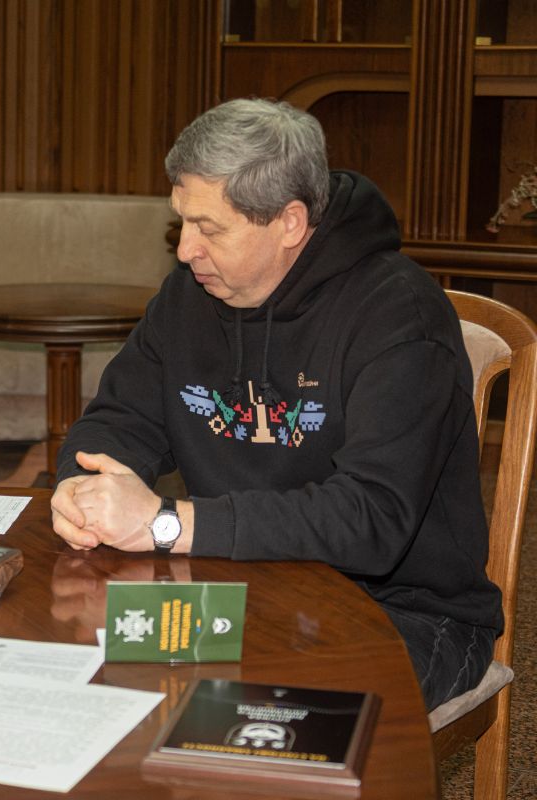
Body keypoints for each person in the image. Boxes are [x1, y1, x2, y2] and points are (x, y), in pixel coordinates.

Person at [51, 98, 501, 711]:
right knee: (78, 662)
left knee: (249, 713)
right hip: (233, 583)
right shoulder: (187, 297)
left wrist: (165, 523)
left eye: (210, 228)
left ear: (290, 222)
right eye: (182, 222)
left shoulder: (400, 315)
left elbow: (371, 519)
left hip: (404, 612)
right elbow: (118, 420)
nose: (185, 250)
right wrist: (83, 487)